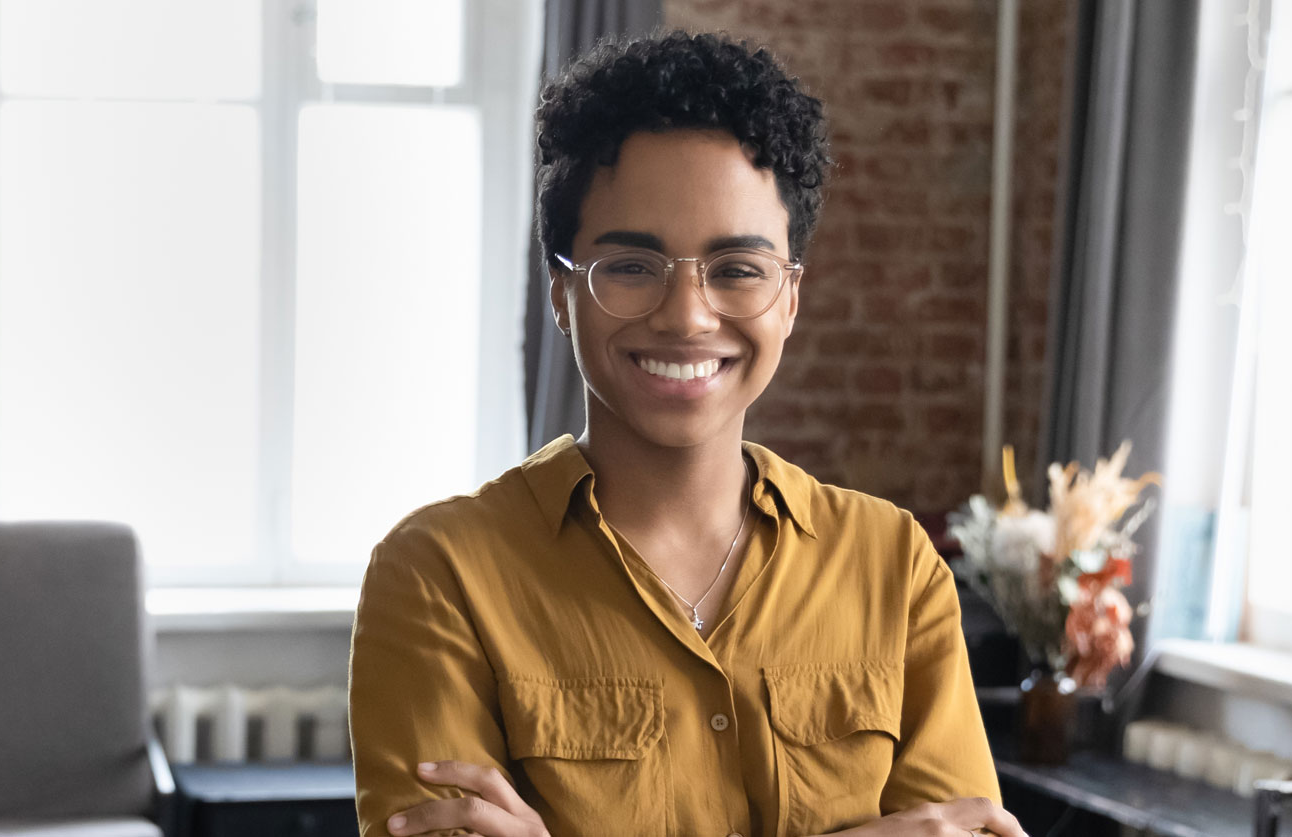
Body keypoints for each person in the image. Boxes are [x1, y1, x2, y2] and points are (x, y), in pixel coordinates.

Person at [346, 31, 1026, 837]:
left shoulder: (895, 569)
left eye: (737, 268)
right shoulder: (437, 578)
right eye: (632, 267)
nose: (687, 315)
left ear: (791, 297)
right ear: (563, 293)